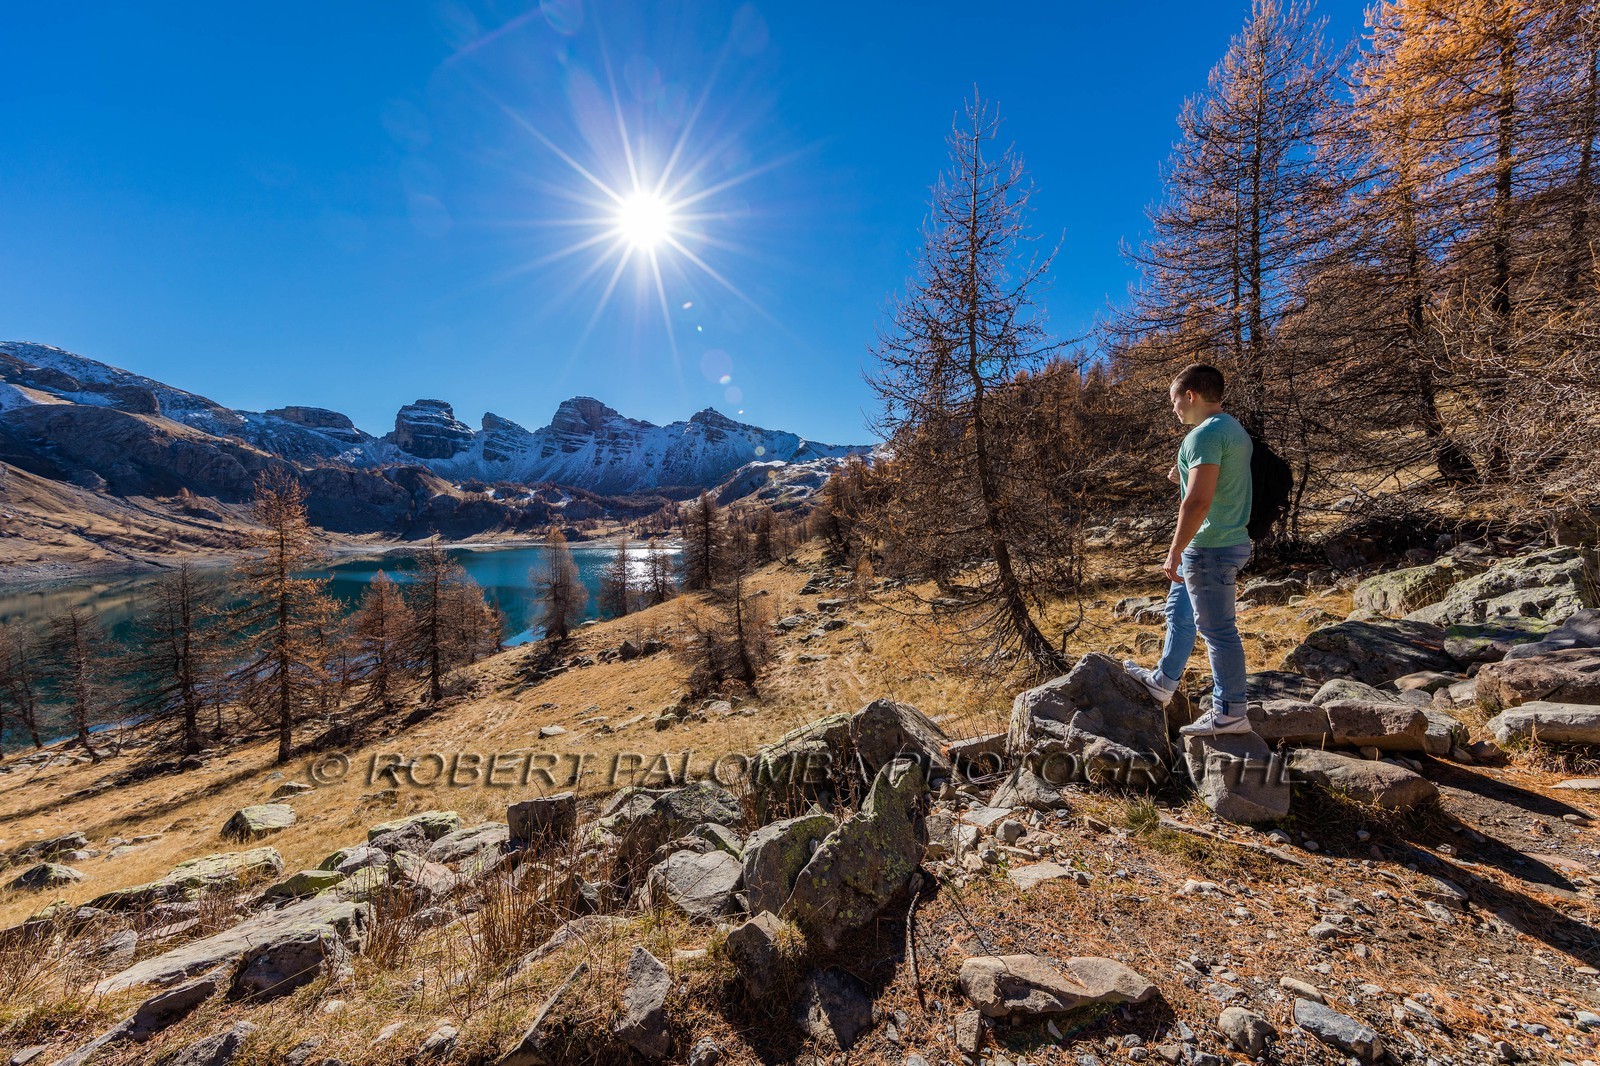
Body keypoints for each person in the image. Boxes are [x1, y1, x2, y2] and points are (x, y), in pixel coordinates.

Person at [1124, 363, 1255, 736]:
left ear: (1191, 395)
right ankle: (1164, 682)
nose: (1175, 408)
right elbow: (1218, 483)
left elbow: (1197, 502)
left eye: (1175, 400)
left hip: (1210, 546)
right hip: (1219, 541)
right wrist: (1181, 475)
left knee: (1217, 630)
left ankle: (1230, 711)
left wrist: (1174, 549)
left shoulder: (1204, 436)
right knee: (1178, 613)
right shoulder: (1231, 429)